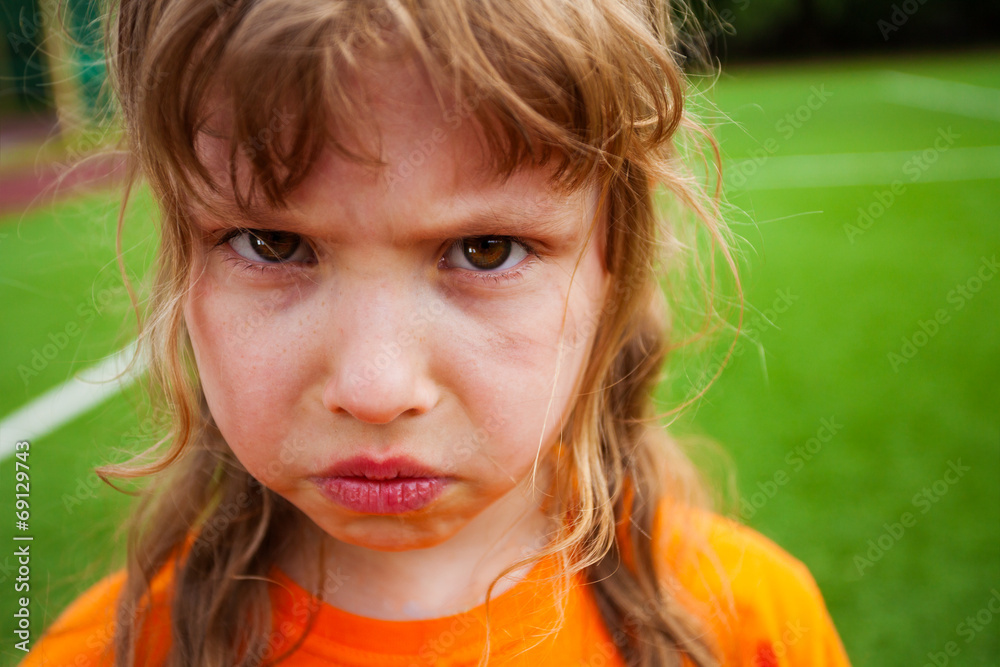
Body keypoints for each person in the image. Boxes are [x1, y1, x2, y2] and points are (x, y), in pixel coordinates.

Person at [24, 0, 852, 665]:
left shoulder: (749, 627)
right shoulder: (110, 651)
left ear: (613, 267)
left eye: (484, 250)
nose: (376, 389)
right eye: (272, 244)